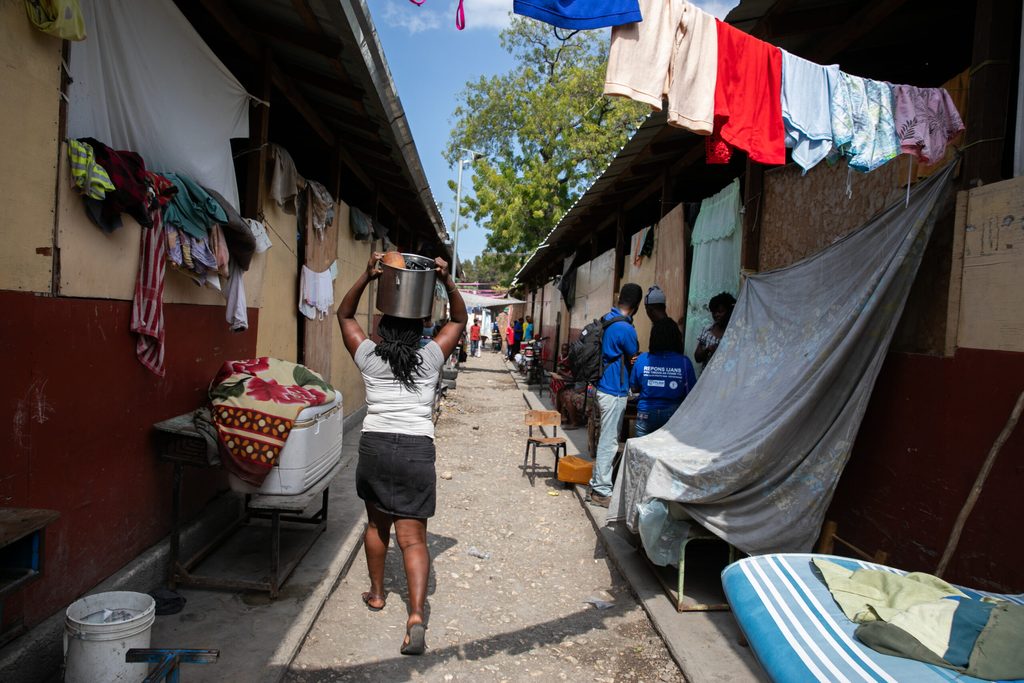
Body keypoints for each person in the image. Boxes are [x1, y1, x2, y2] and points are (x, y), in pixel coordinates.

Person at [337, 252, 467, 657]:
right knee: (413, 540)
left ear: (382, 325)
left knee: (377, 526)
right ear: (420, 328)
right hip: (415, 449)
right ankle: (414, 616)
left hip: (375, 446)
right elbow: (459, 320)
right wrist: (445, 280)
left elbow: (344, 316)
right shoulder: (429, 359)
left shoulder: (370, 358)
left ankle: (376, 594)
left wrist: (367, 275)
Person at [588, 283, 642, 508]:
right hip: (613, 391)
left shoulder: (608, 318)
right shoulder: (626, 329)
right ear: (636, 305)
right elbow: (634, 355)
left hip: (602, 387)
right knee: (609, 442)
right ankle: (601, 490)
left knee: (607, 439)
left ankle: (599, 484)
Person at [630, 318, 696, 437]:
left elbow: (634, 388)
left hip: (646, 413)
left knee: (642, 451)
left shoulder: (642, 359)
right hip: (673, 414)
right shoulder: (684, 362)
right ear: (676, 338)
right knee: (668, 452)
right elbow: (691, 393)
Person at [694, 292, 736, 369]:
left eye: (720, 311)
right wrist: (707, 350)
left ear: (729, 311)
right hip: (708, 378)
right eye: (714, 312)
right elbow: (697, 358)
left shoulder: (735, 333)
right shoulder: (708, 330)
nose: (716, 315)